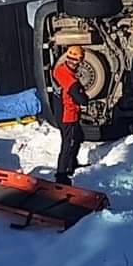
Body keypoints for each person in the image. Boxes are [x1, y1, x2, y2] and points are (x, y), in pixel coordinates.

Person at [52, 45, 89, 185]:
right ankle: (61, 175)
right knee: (68, 143)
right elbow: (78, 95)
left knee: (78, 137)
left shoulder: (60, 69)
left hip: (64, 112)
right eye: (77, 62)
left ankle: (71, 164)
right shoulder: (67, 76)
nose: (77, 65)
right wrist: (84, 100)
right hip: (68, 115)